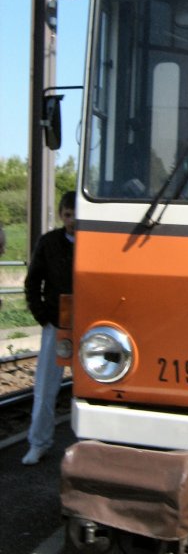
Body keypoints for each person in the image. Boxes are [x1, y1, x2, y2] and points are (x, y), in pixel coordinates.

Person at [22, 191, 76, 465]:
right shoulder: (49, 242)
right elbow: (33, 281)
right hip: (56, 322)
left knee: (93, 389)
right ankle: (38, 443)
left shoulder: (97, 242)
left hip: (91, 326)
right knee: (44, 387)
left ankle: (91, 446)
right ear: (61, 215)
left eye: (77, 215)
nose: (73, 220)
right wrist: (42, 315)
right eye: (68, 215)